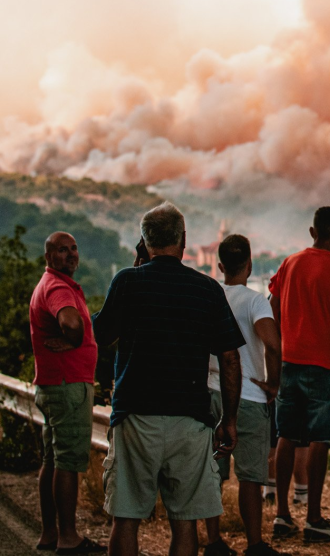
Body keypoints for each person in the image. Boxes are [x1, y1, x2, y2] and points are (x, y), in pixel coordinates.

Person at [93, 203, 246, 556]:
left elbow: (101, 335)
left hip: (135, 417)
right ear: (184, 240)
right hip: (190, 420)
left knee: (126, 517)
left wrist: (135, 269)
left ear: (144, 242)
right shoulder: (207, 289)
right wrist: (230, 420)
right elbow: (230, 357)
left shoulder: (128, 282)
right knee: (185, 520)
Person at [269, 206, 330, 543]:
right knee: (319, 439)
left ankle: (282, 514)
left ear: (313, 232)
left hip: (289, 362)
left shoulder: (290, 264)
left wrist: (282, 346)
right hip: (324, 365)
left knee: (286, 435)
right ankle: (313, 517)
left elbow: (272, 308)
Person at [203, 234, 288, 556]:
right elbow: (274, 344)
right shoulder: (255, 301)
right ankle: (254, 544)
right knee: (251, 478)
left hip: (211, 392)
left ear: (220, 265)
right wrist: (273, 383)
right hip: (249, 396)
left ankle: (213, 541)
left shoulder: (209, 296)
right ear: (250, 265)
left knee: (214, 473)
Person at [30, 231, 105, 554]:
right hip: (67, 385)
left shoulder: (48, 283)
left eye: (74, 248)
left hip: (53, 384)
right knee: (69, 462)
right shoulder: (58, 287)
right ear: (49, 256)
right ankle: (69, 537)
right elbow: (71, 322)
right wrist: (75, 340)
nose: (71, 254)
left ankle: (50, 533)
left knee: (52, 459)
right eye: (62, 250)